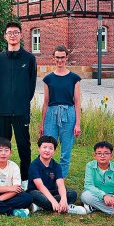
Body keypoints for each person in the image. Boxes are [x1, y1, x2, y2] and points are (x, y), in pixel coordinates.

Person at [0, 22, 37, 189]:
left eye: (16, 32)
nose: (12, 35)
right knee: (2, 145)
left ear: (21, 35)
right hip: (2, 110)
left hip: (21, 110)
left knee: (23, 145)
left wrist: (21, 101)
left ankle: (25, 179)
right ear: (5, 36)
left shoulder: (29, 59)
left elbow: (31, 86)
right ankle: (1, 177)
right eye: (9, 32)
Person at [40, 45, 81, 178]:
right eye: (57, 57)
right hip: (51, 113)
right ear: (53, 58)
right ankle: (48, 176)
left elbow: (77, 102)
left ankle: (61, 179)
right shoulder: (48, 79)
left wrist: (78, 123)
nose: (60, 60)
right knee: (47, 147)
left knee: (66, 149)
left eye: (62, 57)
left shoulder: (74, 78)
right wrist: (42, 123)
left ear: (66, 58)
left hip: (68, 113)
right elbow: (45, 102)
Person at [27, 135, 86, 215]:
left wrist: (64, 199)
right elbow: (40, 186)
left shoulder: (56, 166)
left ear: (54, 151)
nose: (47, 150)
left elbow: (60, 184)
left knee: (72, 194)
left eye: (51, 148)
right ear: (39, 149)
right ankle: (66, 207)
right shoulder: (34, 165)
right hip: (37, 192)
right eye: (44, 147)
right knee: (35, 196)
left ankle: (41, 206)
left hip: (52, 191)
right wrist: (54, 201)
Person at [0, 137, 33, 217]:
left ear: (10, 152)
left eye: (6, 150)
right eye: (0, 150)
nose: (3, 153)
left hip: (10, 195)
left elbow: (16, 189)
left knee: (28, 198)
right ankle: (12, 211)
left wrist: (1, 198)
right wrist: (9, 188)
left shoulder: (14, 166)